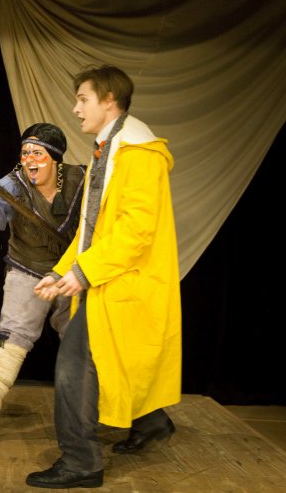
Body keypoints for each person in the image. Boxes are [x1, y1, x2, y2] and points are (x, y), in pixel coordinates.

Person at [25, 65, 181, 489]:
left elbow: (135, 231)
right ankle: (151, 422)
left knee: (74, 367)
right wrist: (62, 271)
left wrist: (84, 272)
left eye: (83, 99)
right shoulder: (107, 151)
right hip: (107, 277)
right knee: (116, 362)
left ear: (109, 100)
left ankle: (81, 461)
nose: (76, 109)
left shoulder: (138, 153)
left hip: (123, 280)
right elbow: (90, 229)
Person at [0, 123, 85, 448]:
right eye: (25, 153)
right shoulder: (13, 184)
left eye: (37, 153)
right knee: (13, 338)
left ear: (55, 158)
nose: (29, 159)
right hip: (27, 269)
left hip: (70, 274)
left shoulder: (80, 180)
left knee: (82, 341)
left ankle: (89, 416)